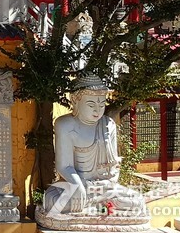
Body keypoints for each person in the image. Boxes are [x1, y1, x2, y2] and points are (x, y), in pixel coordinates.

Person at [42, 74, 148, 219]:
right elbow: (64, 166)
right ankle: (100, 206)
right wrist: (77, 186)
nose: (97, 110)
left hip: (103, 187)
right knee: (51, 201)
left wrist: (106, 185)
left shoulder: (108, 125)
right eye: (91, 105)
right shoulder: (65, 125)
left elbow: (114, 167)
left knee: (138, 201)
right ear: (75, 100)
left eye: (102, 105)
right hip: (76, 185)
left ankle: (95, 205)